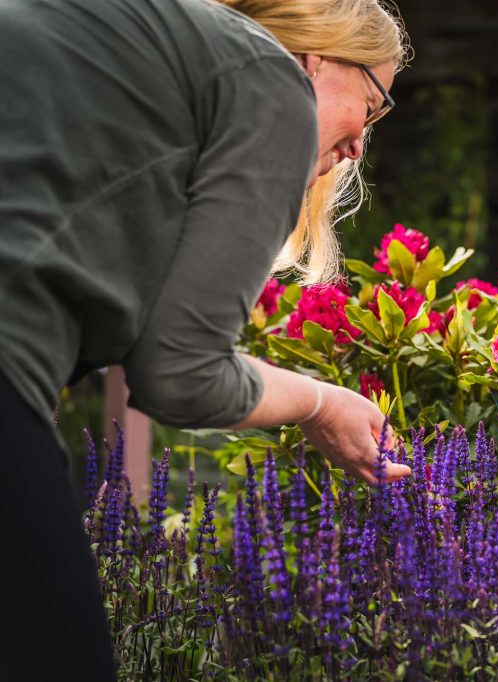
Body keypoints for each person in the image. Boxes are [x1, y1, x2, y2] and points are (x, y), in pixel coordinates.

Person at [0, 0, 411, 678]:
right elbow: (181, 374)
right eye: (374, 103)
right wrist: (322, 403)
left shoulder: (128, 47)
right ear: (317, 57)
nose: (360, 145)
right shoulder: (271, 79)